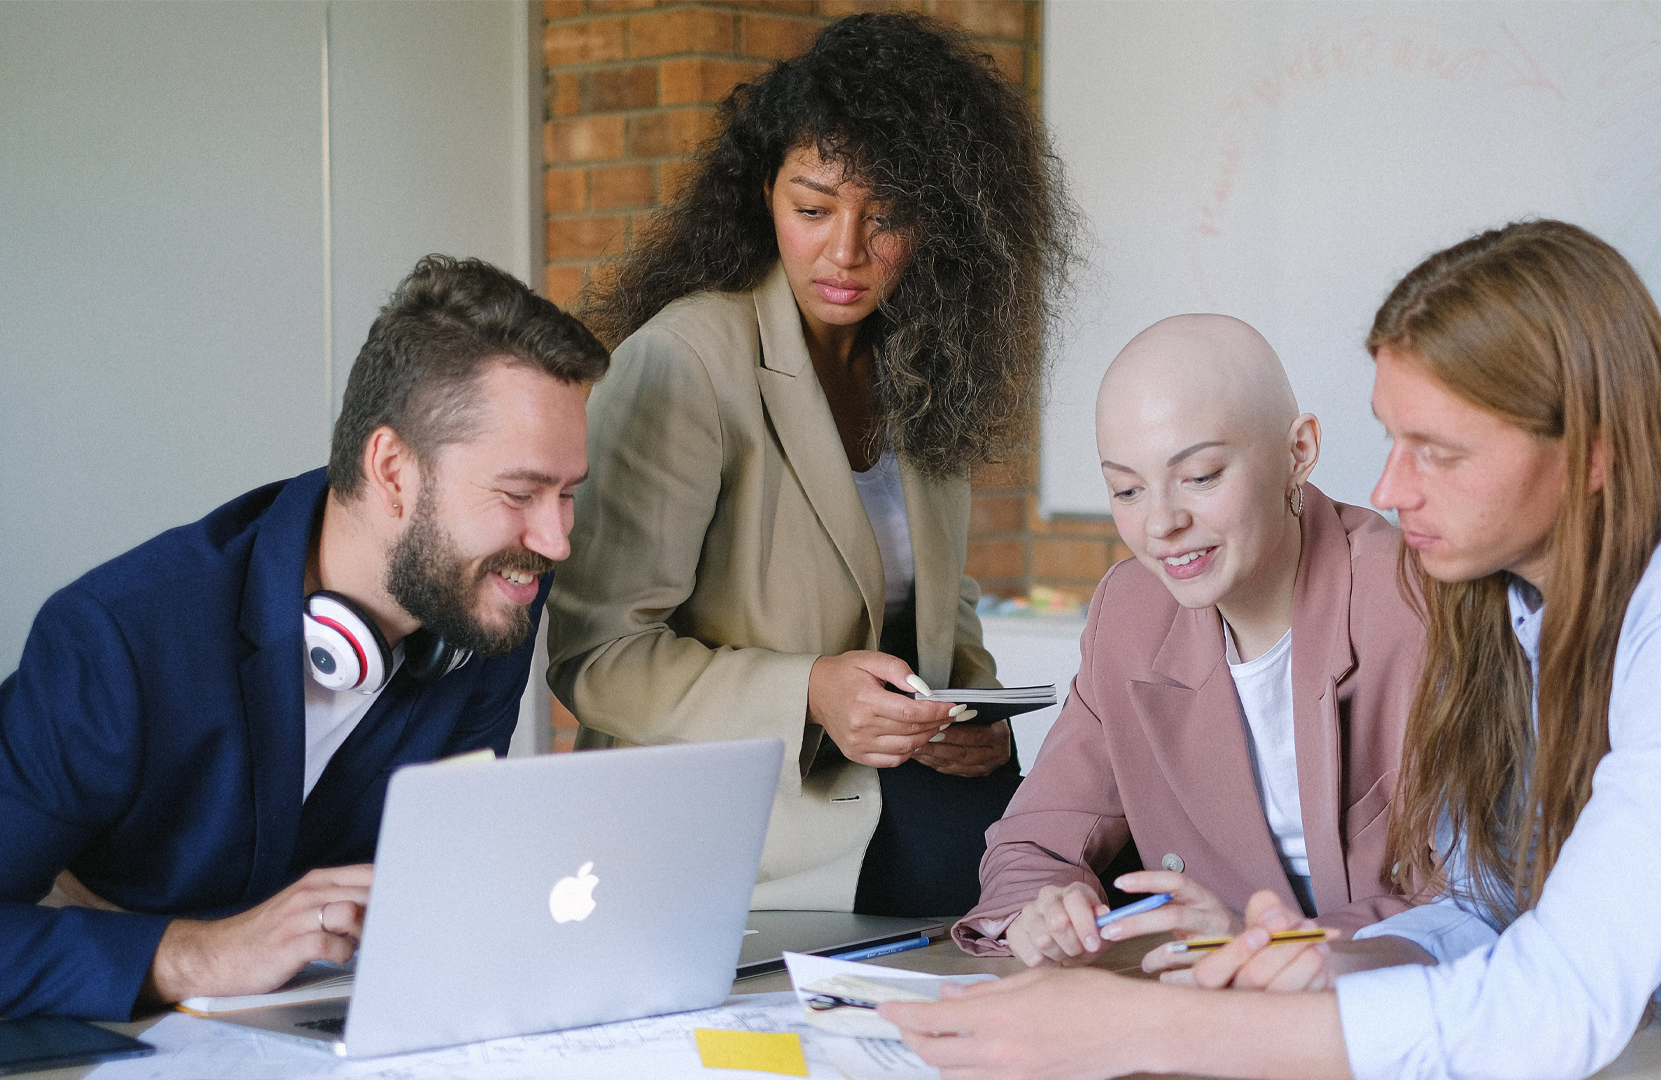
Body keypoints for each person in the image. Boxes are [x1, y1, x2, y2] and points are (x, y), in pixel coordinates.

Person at [883, 221, 1661, 1078]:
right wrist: (1312, 954)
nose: (1388, 490)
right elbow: (1491, 903)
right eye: (1393, 439)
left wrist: (1154, 1027)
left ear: (1596, 452)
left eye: (1441, 452)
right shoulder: (1503, 597)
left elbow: (1552, 1006)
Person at [546, 12, 1076, 917]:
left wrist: (976, 718)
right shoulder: (688, 359)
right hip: (744, 812)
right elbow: (597, 657)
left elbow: (940, 617)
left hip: (895, 788)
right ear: (765, 194)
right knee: (1034, 891)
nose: (846, 251)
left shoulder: (925, 362)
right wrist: (812, 692)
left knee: (1103, 848)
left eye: (889, 216)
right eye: (814, 207)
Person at [0, 256, 610, 1020]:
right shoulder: (119, 638)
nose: (554, 541)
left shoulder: (494, 586)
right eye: (520, 493)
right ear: (391, 469)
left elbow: (434, 863)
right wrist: (195, 954)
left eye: (567, 497)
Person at [951, 315, 1422, 967]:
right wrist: (1044, 911)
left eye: (1200, 476)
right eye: (1127, 488)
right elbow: (1035, 842)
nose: (1161, 524)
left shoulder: (1413, 600)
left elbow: (1490, 894)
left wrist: (1270, 946)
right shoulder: (1132, 614)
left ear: (1299, 452)